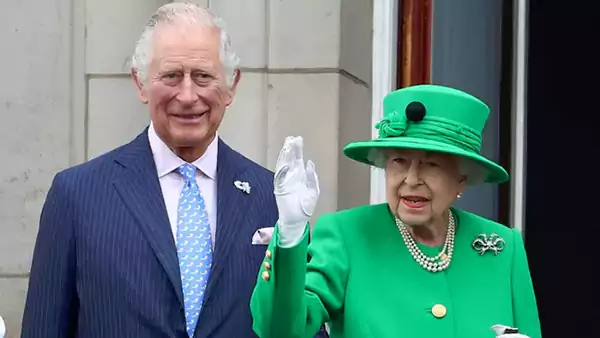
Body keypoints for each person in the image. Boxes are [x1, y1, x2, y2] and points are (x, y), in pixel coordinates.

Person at [21, 3, 327, 337]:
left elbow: (300, 328)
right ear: (140, 83)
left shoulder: (273, 199)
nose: (187, 95)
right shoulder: (77, 196)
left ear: (231, 86)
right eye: (171, 76)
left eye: (203, 76)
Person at [250, 84, 542, 338]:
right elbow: (281, 331)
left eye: (432, 164)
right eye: (399, 161)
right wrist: (290, 233)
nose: (411, 179)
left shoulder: (503, 247)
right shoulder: (348, 235)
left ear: (461, 180)